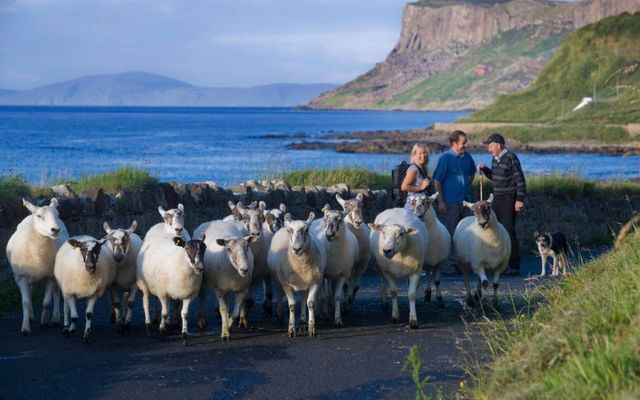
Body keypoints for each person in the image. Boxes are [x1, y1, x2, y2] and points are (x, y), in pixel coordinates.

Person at [478, 133, 526, 276]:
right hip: (497, 198)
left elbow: (520, 180)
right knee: (498, 231)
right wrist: (486, 170)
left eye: (491, 146)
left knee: (508, 231)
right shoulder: (495, 159)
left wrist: (519, 200)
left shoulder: (511, 158)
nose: (489, 149)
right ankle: (502, 264)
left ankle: (514, 265)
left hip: (509, 199)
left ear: (499, 146)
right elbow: (496, 177)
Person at [432, 130, 476, 274]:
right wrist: (441, 201)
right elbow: (437, 180)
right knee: (450, 233)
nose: (465, 145)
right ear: (454, 143)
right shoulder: (445, 158)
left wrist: (466, 185)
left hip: (466, 201)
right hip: (450, 201)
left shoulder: (468, 157)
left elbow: (472, 172)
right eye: (463, 143)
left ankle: (464, 263)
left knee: (467, 233)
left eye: (465, 142)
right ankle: (450, 264)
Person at [401, 143, 432, 210]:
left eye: (424, 153)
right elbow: (404, 187)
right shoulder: (413, 169)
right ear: (414, 155)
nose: (423, 156)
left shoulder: (422, 168)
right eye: (420, 153)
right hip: (413, 208)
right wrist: (420, 187)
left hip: (421, 206)